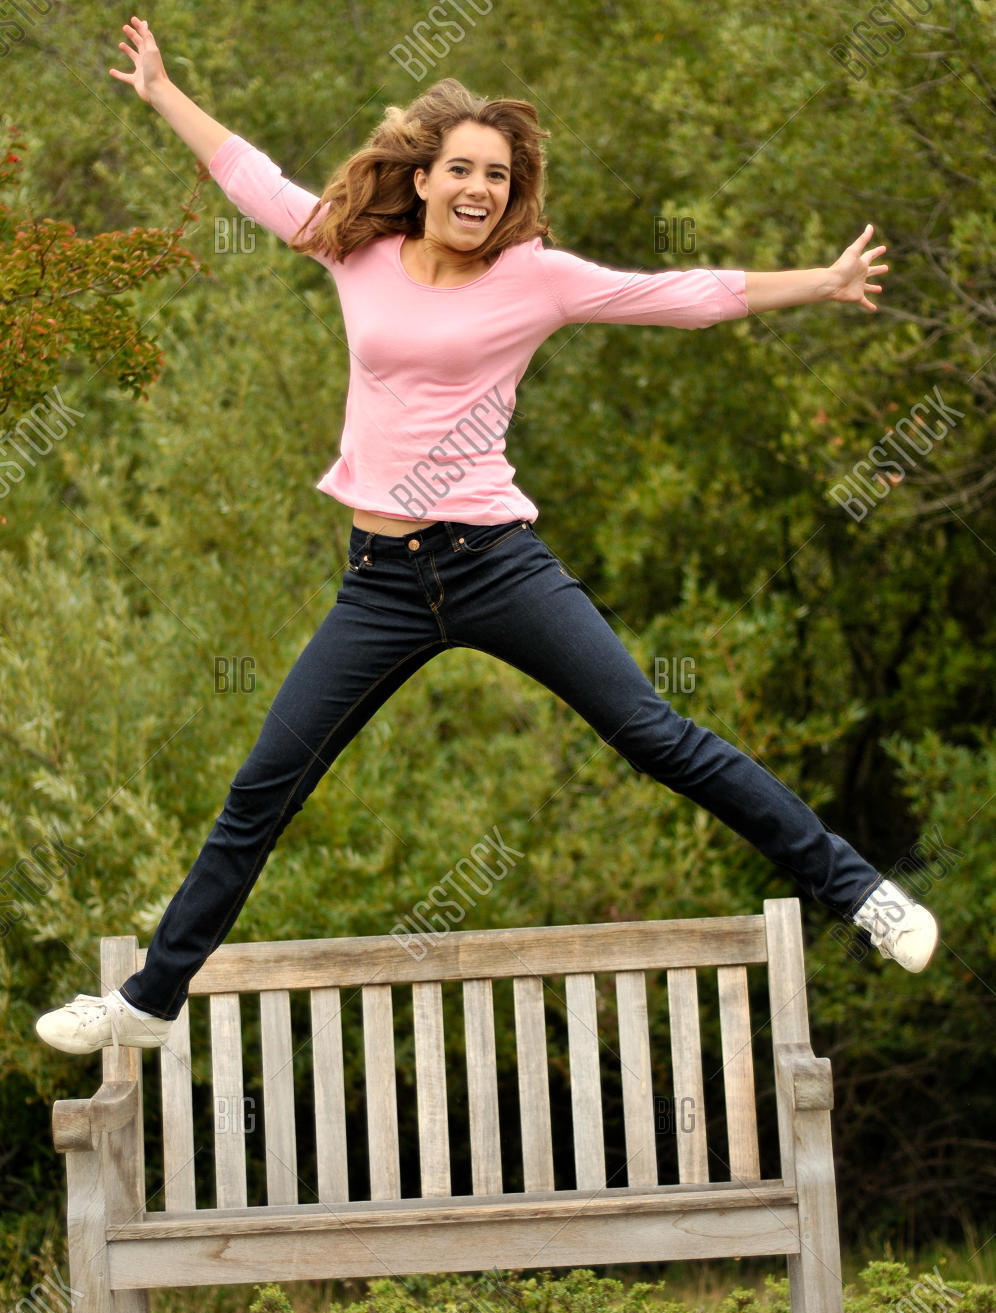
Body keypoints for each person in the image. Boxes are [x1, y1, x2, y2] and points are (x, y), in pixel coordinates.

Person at [36, 17, 937, 1057]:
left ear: (512, 194)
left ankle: (862, 892)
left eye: (499, 177)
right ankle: (150, 1002)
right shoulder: (352, 246)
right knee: (263, 789)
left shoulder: (536, 278)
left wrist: (818, 283)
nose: (480, 188)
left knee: (656, 734)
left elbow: (683, 297)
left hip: (496, 565)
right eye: (461, 168)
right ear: (421, 179)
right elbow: (252, 176)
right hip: (379, 582)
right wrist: (159, 91)